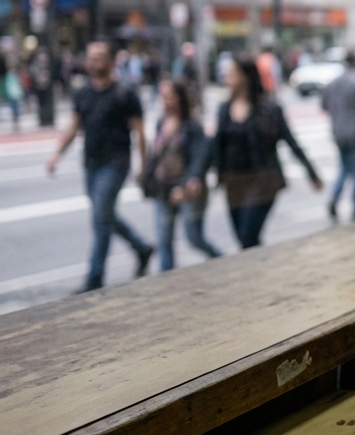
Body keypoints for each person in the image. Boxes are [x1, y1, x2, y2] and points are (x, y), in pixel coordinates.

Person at [46, 40, 155, 290]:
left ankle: (95, 277)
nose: (92, 62)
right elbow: (74, 126)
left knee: (101, 217)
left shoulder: (125, 94)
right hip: (91, 163)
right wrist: (57, 155)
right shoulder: (83, 93)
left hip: (116, 162)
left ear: (111, 60)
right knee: (103, 215)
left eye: (98, 57)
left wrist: (143, 167)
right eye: (90, 57)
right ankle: (141, 247)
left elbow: (140, 132)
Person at [189, 54, 323, 249]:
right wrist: (196, 175)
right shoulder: (224, 110)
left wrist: (312, 174)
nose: (226, 78)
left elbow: (291, 142)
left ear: (244, 76)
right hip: (232, 183)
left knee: (247, 236)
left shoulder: (269, 109)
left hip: (263, 182)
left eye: (231, 74)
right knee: (245, 241)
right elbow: (212, 146)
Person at [143, 79, 221, 271]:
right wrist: (146, 177)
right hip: (164, 188)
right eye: (163, 96)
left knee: (194, 237)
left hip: (187, 189)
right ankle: (167, 281)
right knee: (164, 241)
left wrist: (188, 183)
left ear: (179, 98)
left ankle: (222, 261)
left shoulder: (192, 127)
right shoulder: (162, 123)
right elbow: (155, 155)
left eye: (168, 96)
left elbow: (200, 158)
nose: (164, 101)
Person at [320, 49, 355, 221]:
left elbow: (324, 106)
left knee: (344, 167)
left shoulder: (334, 83)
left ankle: (335, 198)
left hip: (339, 132)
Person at [0, 51, 20, 130]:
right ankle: (15, 115)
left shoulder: (11, 76)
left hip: (7, 82)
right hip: (6, 81)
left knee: (13, 99)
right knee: (12, 99)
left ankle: (15, 115)